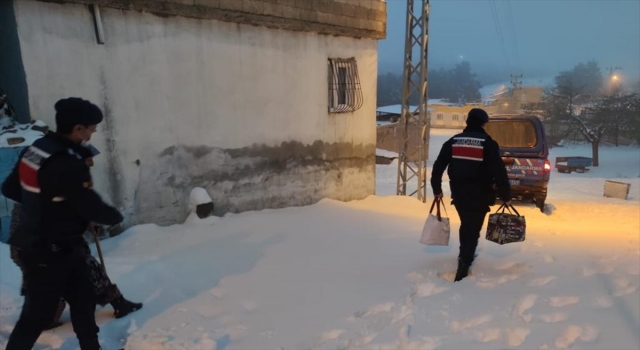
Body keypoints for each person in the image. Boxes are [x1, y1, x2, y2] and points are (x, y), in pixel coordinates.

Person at [2, 97, 124, 350]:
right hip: (47, 253)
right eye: (91, 128)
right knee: (35, 317)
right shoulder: (68, 162)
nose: (92, 134)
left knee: (83, 302)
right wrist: (114, 216)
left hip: (63, 248)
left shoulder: (36, 150)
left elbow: (11, 188)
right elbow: (91, 206)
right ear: (78, 128)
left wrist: (44, 205)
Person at [8, 143, 142, 330]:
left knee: (79, 273)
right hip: (37, 246)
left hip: (41, 245)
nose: (90, 165)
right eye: (88, 161)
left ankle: (115, 304)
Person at [430, 108, 511, 282]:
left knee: (467, 224)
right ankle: (464, 262)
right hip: (481, 195)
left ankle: (465, 255)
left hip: (459, 194)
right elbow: (499, 171)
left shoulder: (453, 141)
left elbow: (438, 166)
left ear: (467, 121)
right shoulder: (488, 143)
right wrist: (505, 194)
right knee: (472, 228)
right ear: (483, 124)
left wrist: (436, 188)